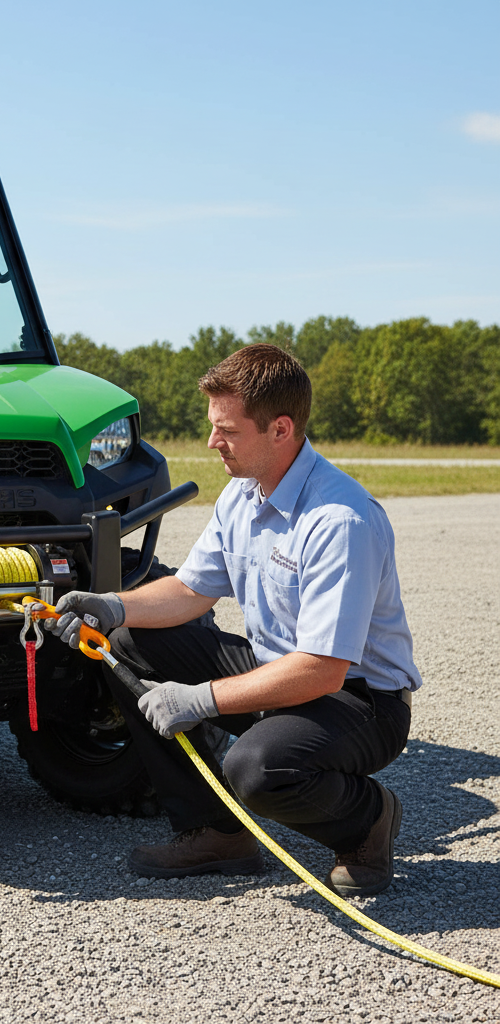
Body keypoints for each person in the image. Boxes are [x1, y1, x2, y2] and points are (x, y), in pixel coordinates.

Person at [42, 344, 420, 897]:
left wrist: (199, 700)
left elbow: (322, 672)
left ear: (280, 429)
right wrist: (110, 605)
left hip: (359, 701)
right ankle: (217, 833)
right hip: (280, 670)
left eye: (228, 430)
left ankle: (367, 821)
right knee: (125, 641)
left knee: (256, 769)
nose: (213, 442)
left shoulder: (340, 521)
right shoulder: (243, 495)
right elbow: (192, 590)